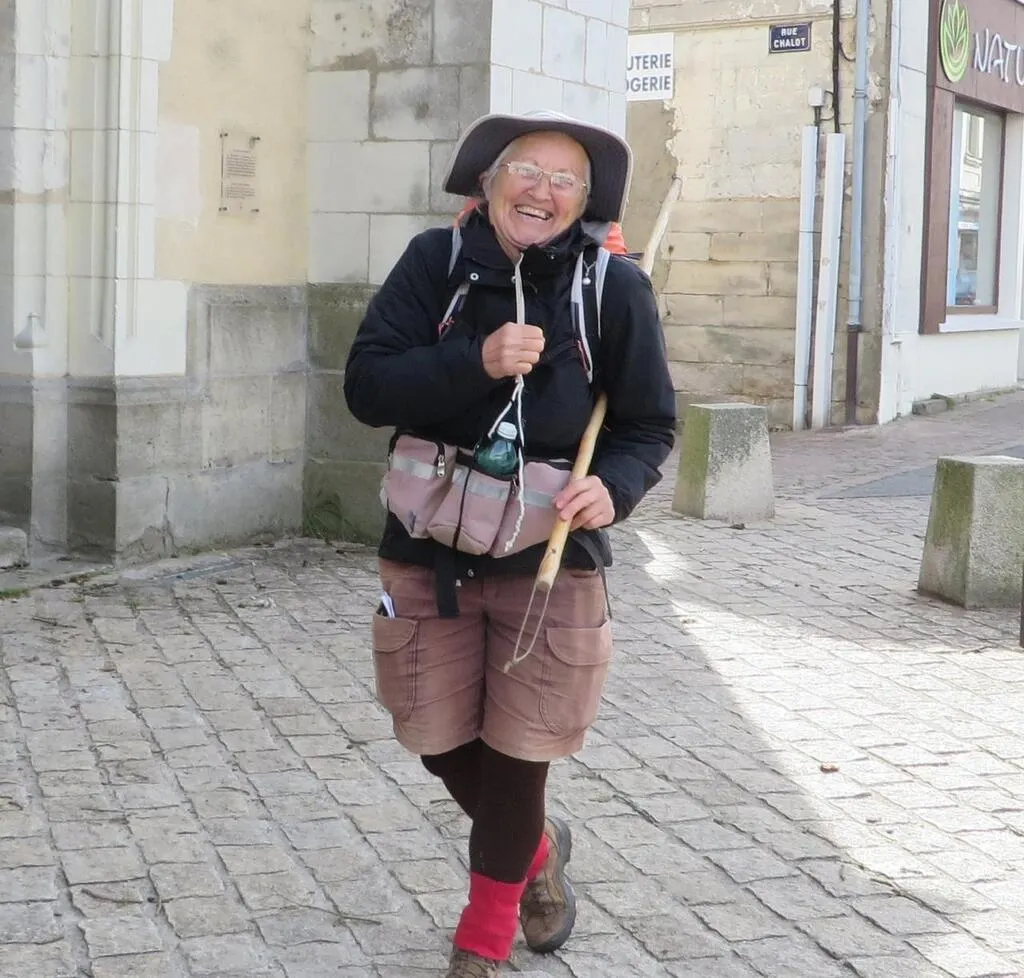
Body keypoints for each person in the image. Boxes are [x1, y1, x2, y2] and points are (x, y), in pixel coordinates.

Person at [344, 109, 676, 977]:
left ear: (584, 201)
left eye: (566, 179)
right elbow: (367, 388)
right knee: (437, 740)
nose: (543, 190)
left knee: (519, 754)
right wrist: (475, 360)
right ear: (489, 183)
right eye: (527, 169)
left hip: (548, 560)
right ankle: (538, 850)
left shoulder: (613, 288)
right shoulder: (435, 263)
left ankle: (483, 940)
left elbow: (649, 425)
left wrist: (617, 487)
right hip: (428, 548)